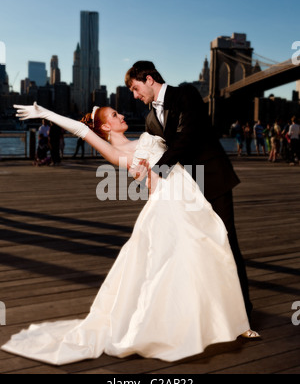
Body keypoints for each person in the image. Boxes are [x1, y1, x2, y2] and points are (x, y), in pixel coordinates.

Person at [1, 102, 259, 366]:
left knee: (214, 250)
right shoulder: (117, 152)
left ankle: (233, 322)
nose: (122, 115)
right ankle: (181, 328)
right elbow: (81, 130)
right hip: (166, 205)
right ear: (105, 126)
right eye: (115, 115)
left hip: (191, 197)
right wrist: (45, 114)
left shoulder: (148, 137)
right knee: (180, 261)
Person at [125, 61, 253, 320]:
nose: (136, 97)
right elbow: (149, 149)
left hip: (213, 180)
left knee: (226, 242)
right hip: (186, 189)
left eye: (136, 89)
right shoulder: (150, 119)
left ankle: (243, 313)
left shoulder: (185, 94)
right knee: (196, 247)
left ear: (149, 79)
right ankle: (208, 312)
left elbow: (187, 136)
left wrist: (158, 171)